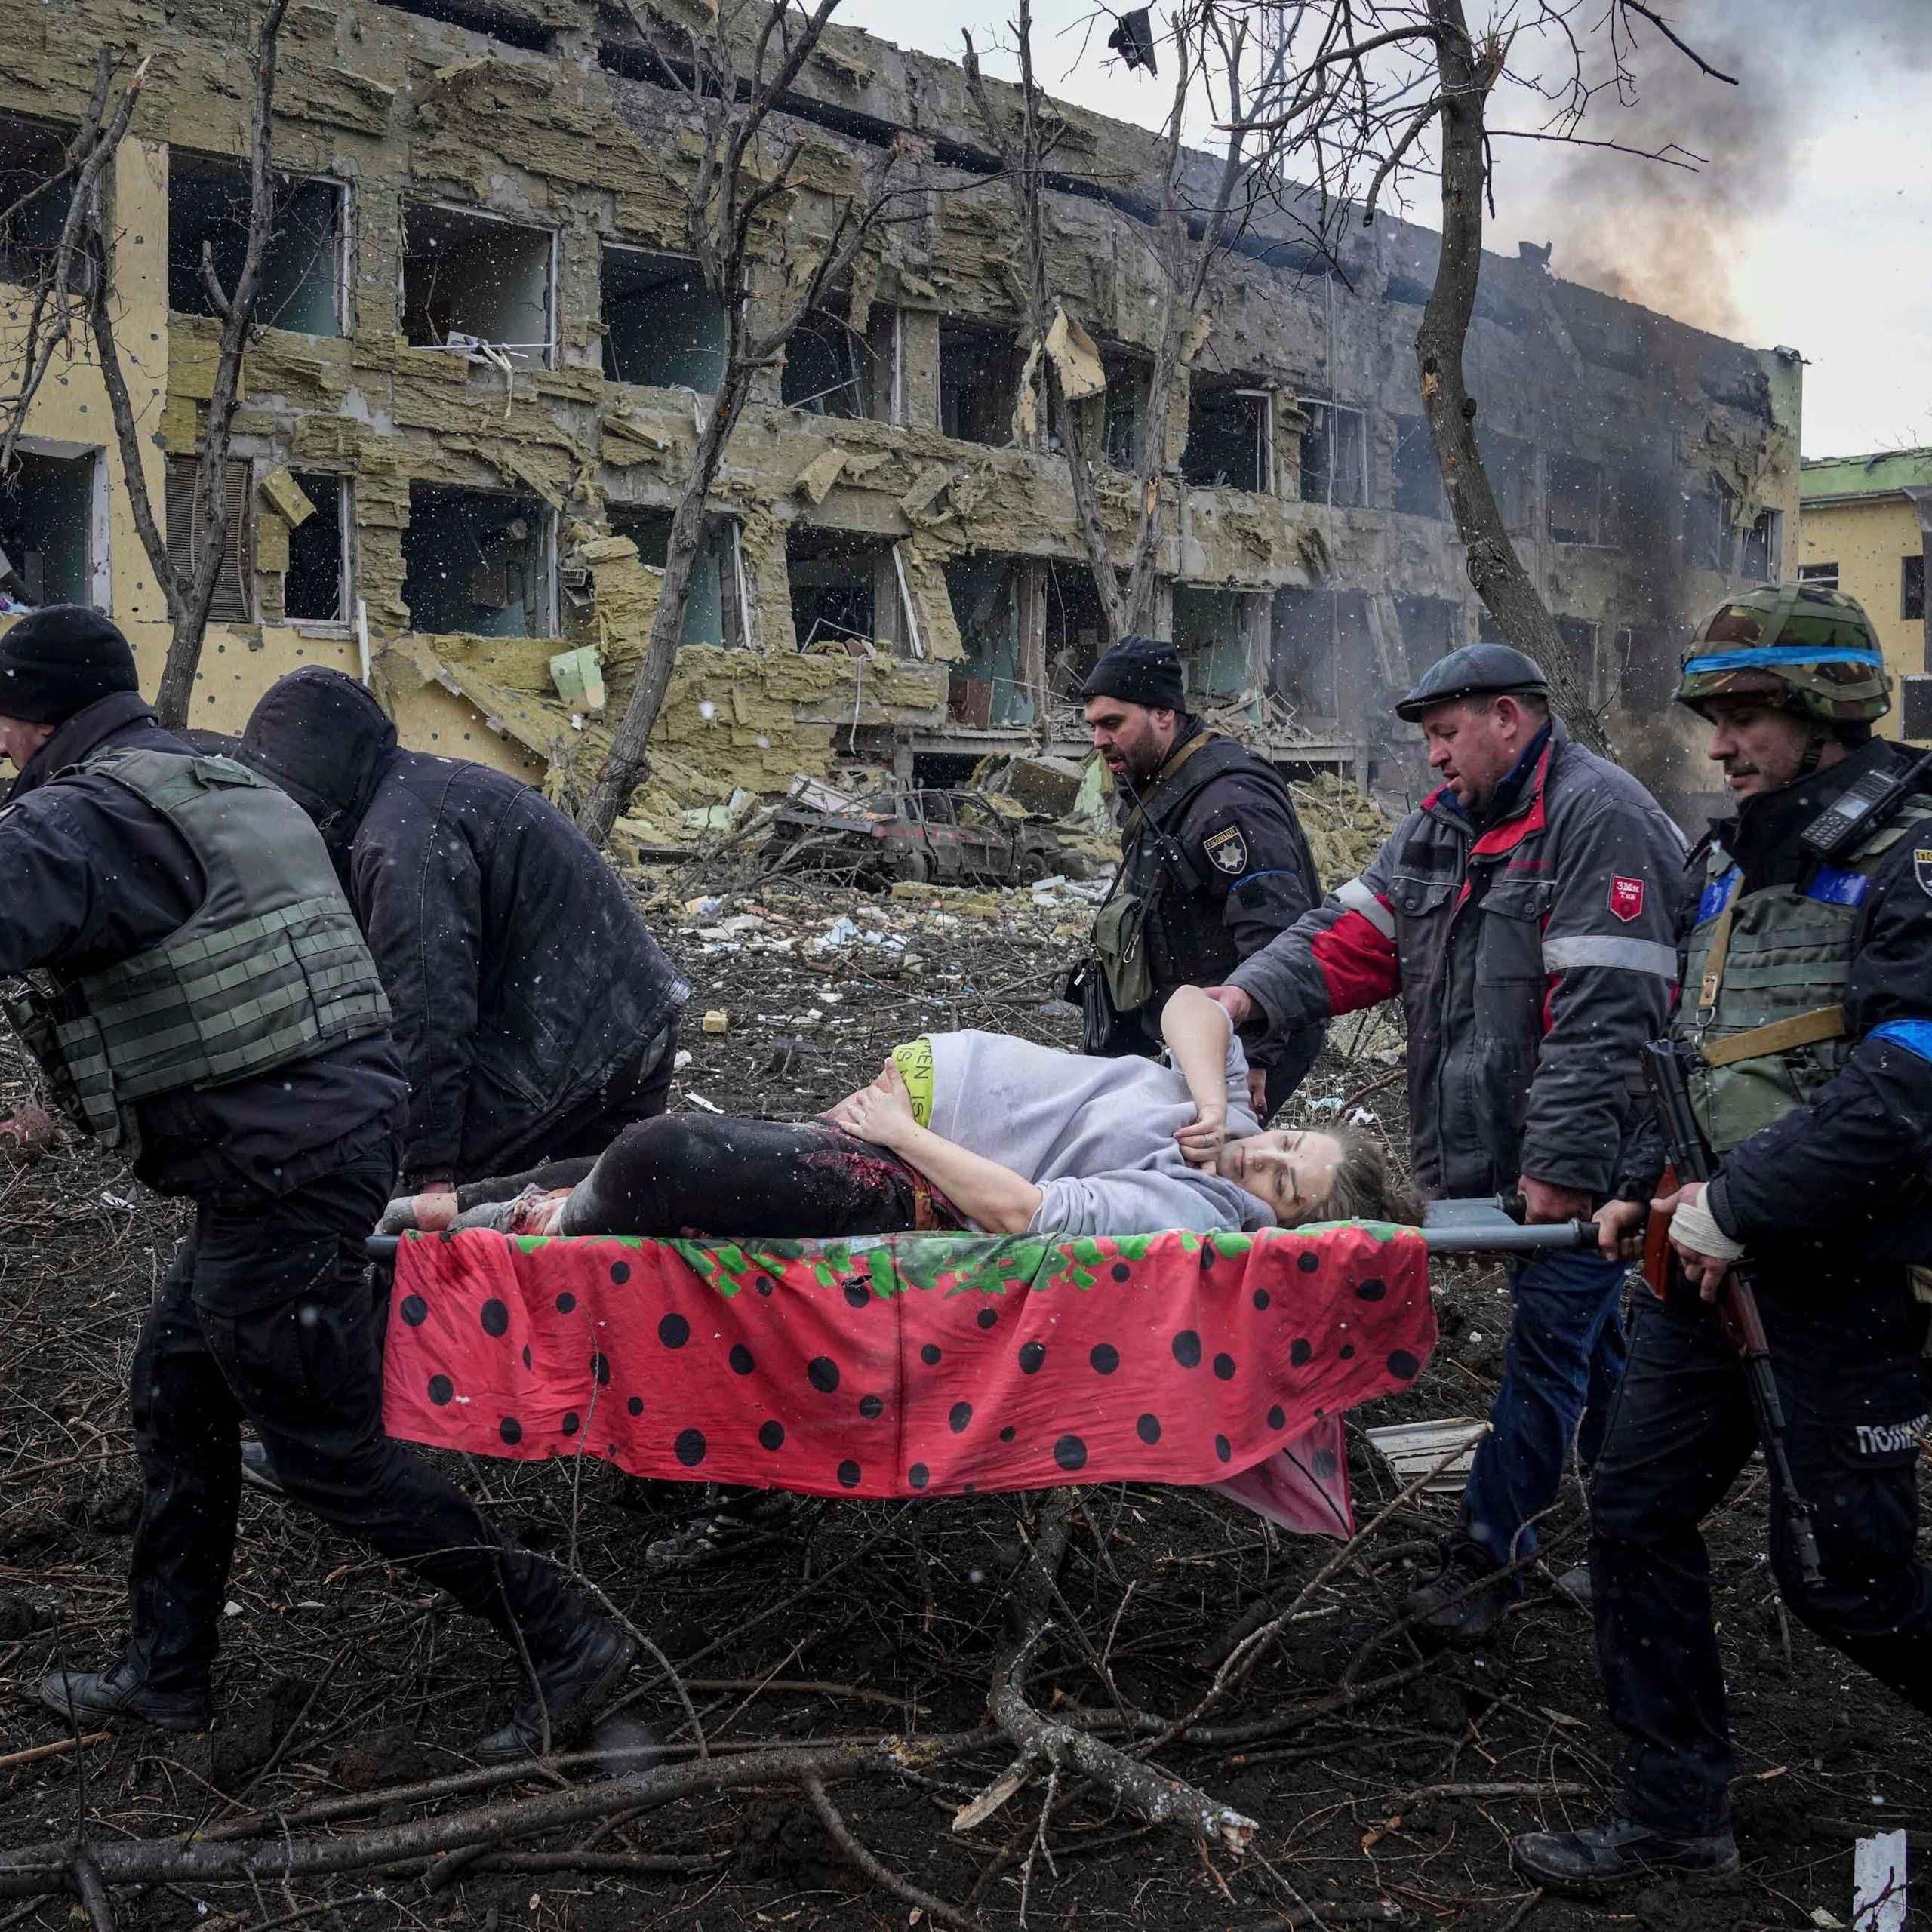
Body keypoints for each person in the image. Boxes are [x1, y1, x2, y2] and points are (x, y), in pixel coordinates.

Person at [0, 608, 635, 1762]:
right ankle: (165, 1674)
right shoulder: (197, 772)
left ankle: (565, 1632)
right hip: (311, 1142)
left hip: (281, 1163)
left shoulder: (82, 818)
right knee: (178, 1390)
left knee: (323, 1448)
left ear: (28, 714)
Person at [1513, 586, 1932, 1890]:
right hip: (1702, 1272)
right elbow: (1697, 1056)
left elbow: (1907, 1080)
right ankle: (1674, 1821)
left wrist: (1739, 1207)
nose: (1723, 739)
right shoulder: (1733, 858)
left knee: (1846, 1581)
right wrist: (1652, 1187)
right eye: (1718, 714)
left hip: (1845, 1278)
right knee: (1632, 1512)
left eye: (1748, 713)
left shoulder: (1911, 858)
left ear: (1826, 712)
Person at [1207, 642, 1686, 1638]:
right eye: (1427, 738)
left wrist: (1561, 1167)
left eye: (1446, 734)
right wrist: (1245, 998)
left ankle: (1487, 1558)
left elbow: (1609, 1017)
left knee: (1549, 1345)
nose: (1432, 757)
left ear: (1510, 718)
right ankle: (1639, 1512)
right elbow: (1347, 937)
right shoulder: (1440, 831)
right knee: (1587, 1339)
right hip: (1500, 1147)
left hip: (1595, 1154)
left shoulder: (1603, 821)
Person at [384, 987, 1417, 1244]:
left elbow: (1023, 1213)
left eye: (1283, 1185)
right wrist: (1209, 1098)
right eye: (1287, 1144)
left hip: (914, 1170)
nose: (1261, 1161)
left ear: (1280, 1230)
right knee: (648, 1158)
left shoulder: (1193, 1217)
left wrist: (898, 1132)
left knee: (666, 1157)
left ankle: (488, 1228)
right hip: (905, 1105)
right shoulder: (1223, 1118)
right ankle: (433, 1206)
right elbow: (1197, 1004)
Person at [238, 666, 689, 1211]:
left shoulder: (401, 841)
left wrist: (429, 1171)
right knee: (592, 1229)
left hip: (578, 1043)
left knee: (401, 1212)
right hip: (627, 1021)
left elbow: (427, 1007)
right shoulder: (416, 796)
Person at [1075, 635, 1325, 1119]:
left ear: (1164, 714)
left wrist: (1256, 1054)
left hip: (1241, 1036)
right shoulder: (1166, 784)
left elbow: (1278, 937)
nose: (1099, 741)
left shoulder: (1228, 804)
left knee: (1212, 1169)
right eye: (1094, 726)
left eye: (1112, 724)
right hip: (1195, 1029)